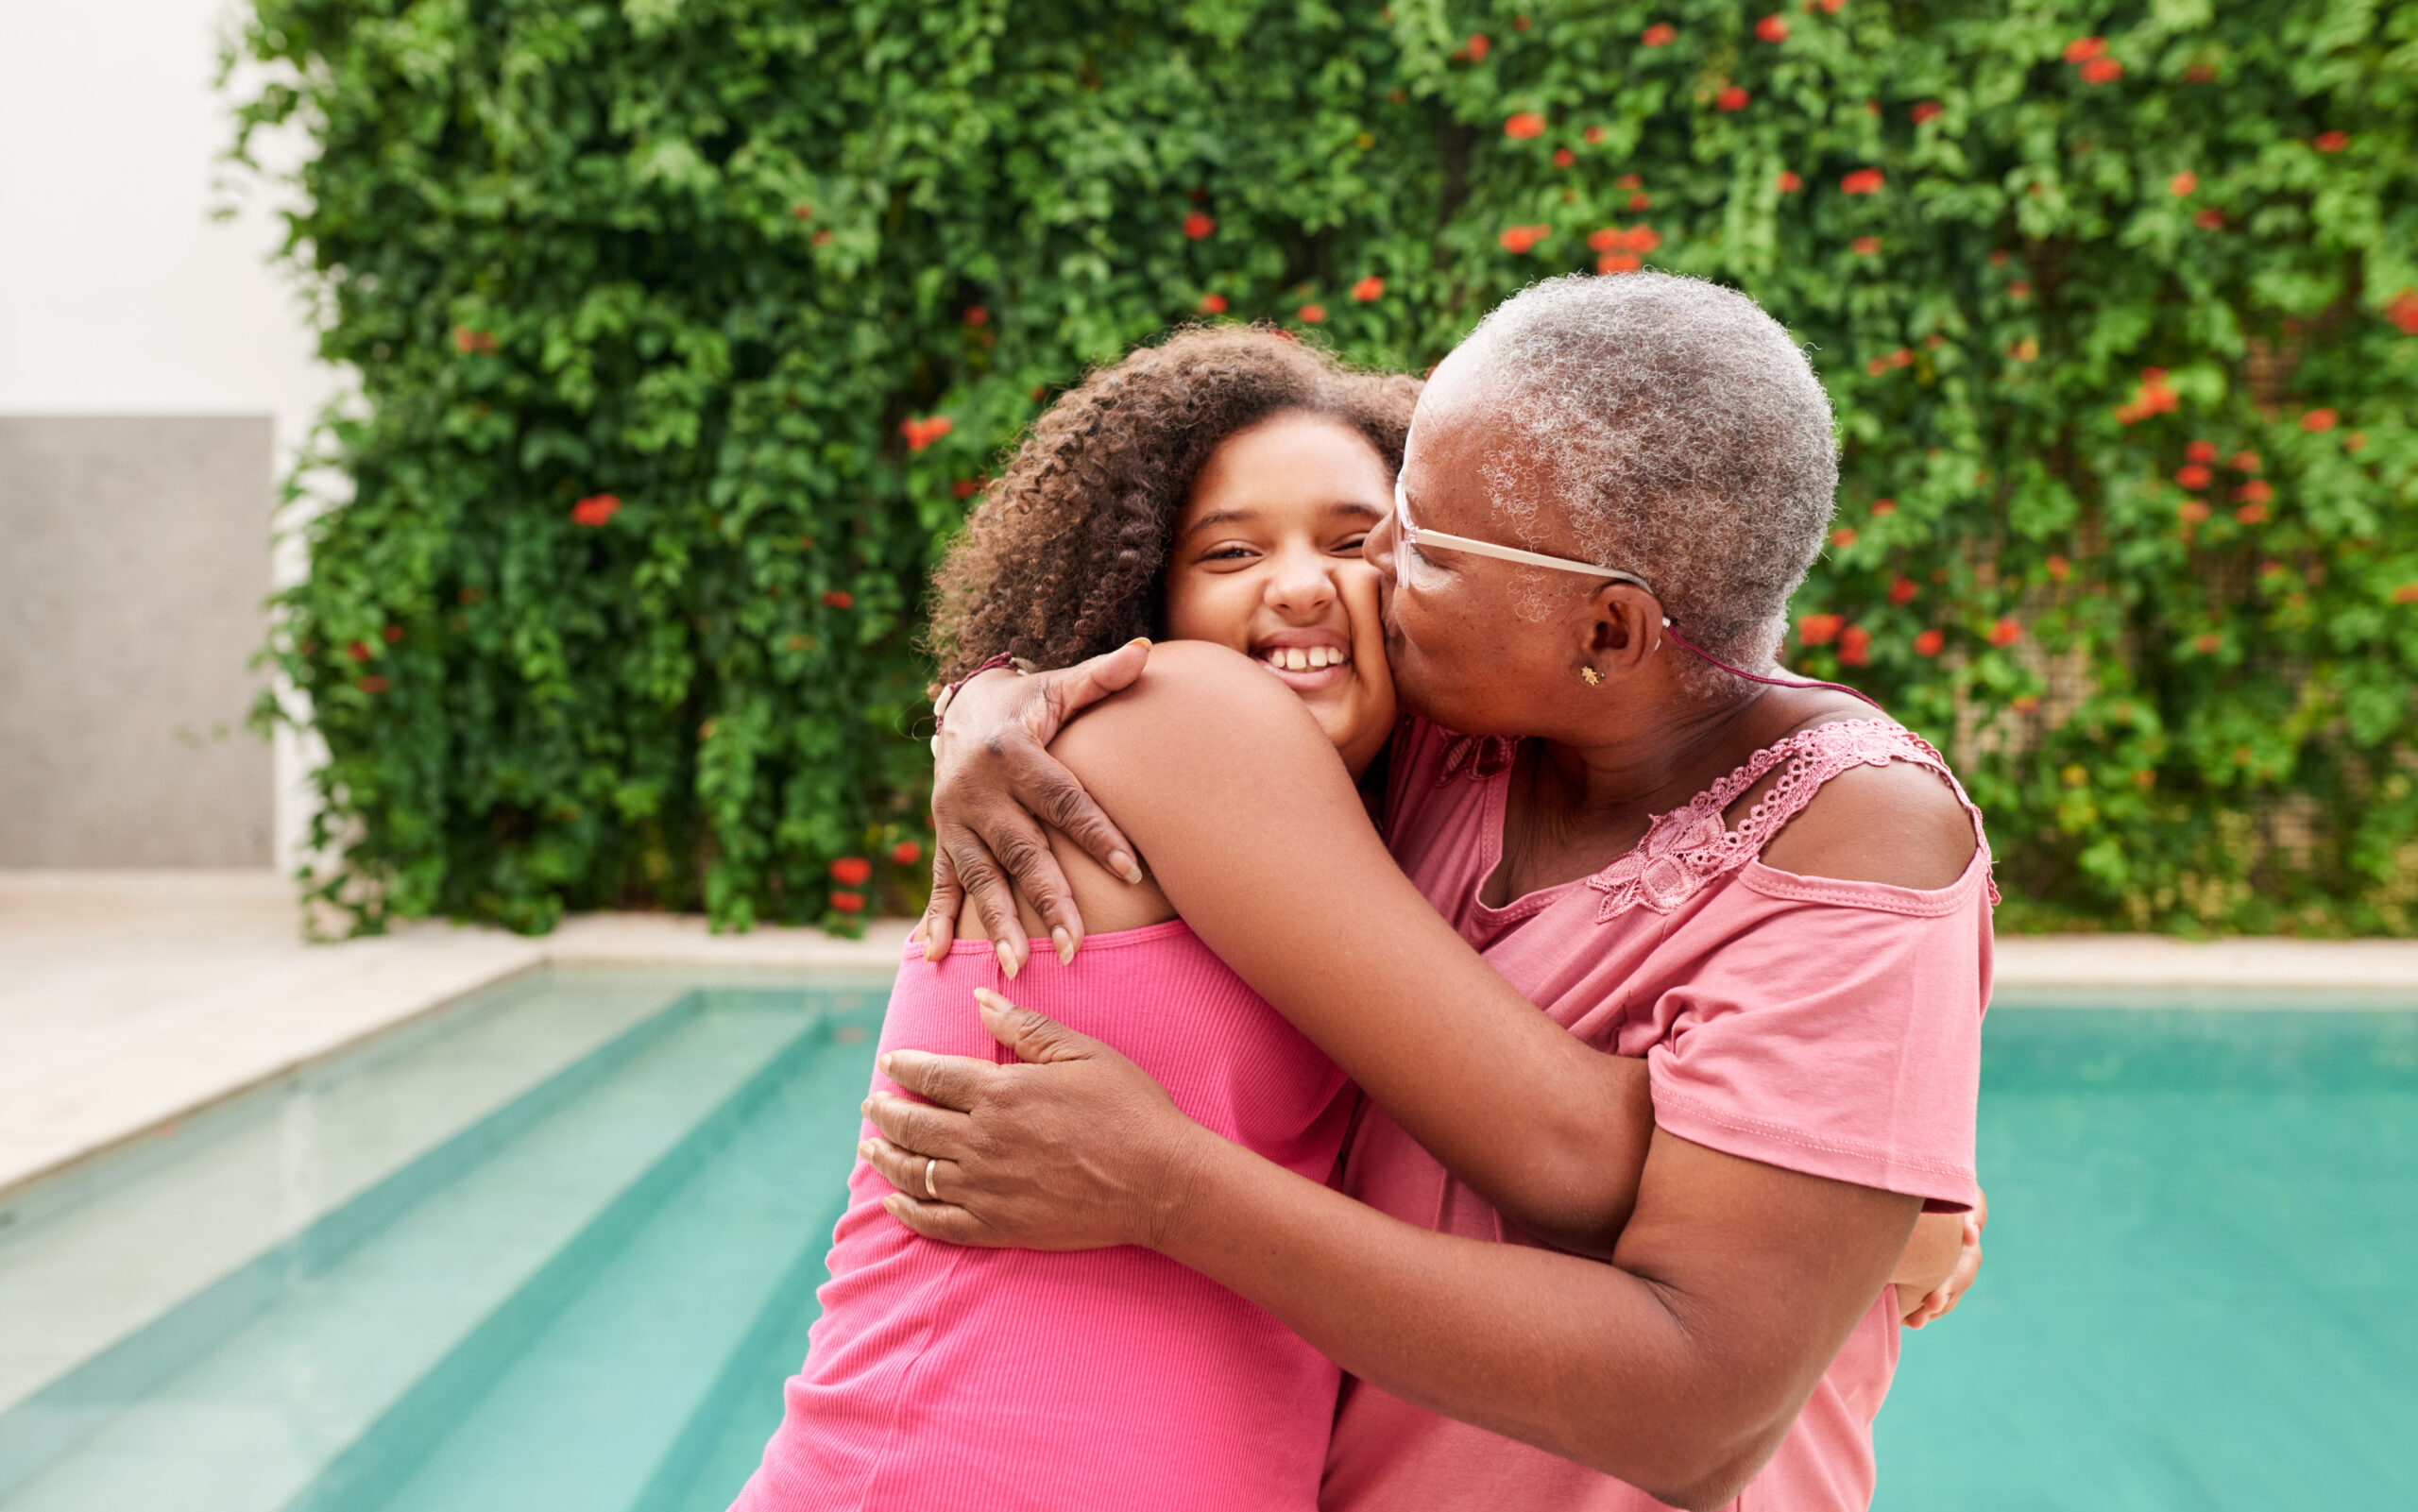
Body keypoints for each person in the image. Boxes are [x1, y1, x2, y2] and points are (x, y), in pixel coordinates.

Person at [862, 273, 1993, 1511]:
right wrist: (983, 699)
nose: (1370, 577)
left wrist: (1168, 1185)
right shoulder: (1455, 730)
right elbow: (1192, 681)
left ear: (1609, 636)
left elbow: (1694, 1405)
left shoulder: (1858, 842)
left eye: (1422, 547)